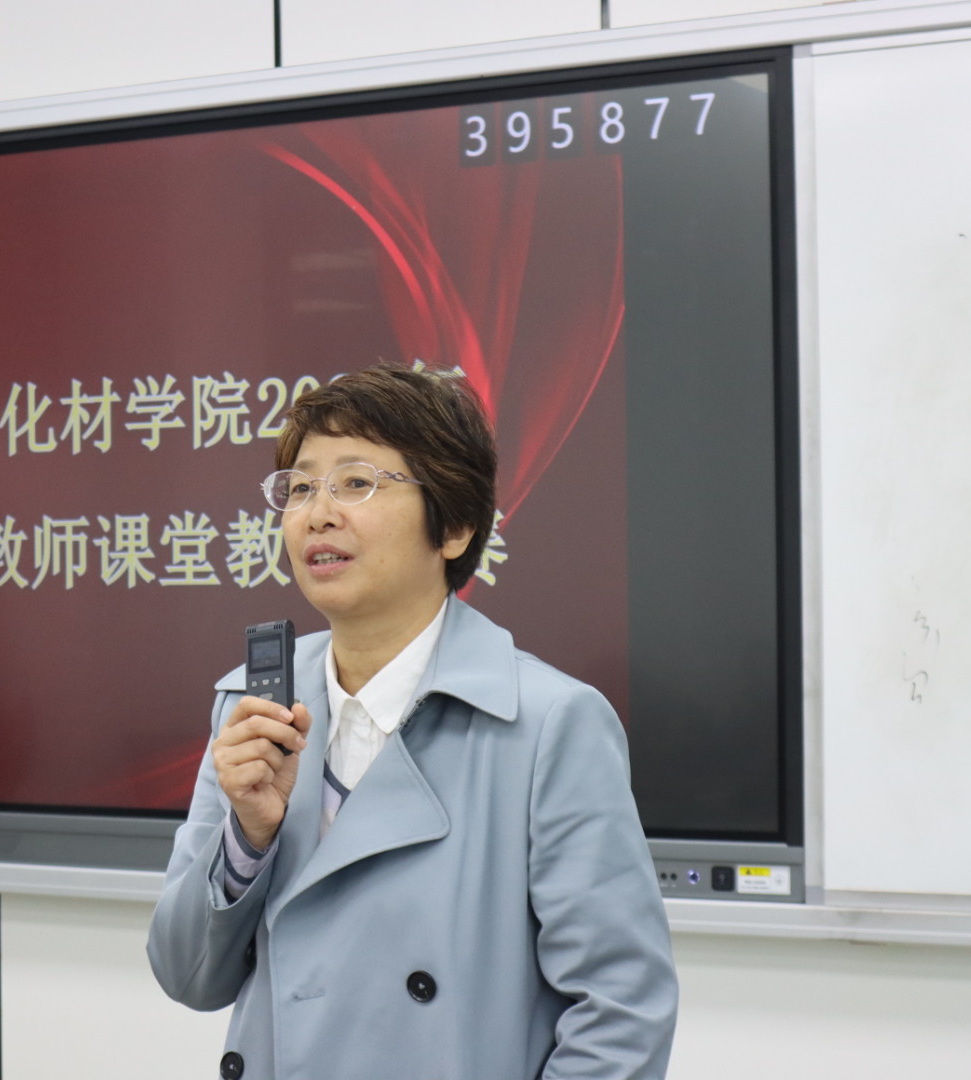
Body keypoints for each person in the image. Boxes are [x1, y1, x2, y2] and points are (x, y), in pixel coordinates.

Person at [147, 365, 678, 1079]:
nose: (317, 513)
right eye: (299, 488)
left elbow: (622, 1012)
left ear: (454, 527)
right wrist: (247, 839)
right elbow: (185, 975)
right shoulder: (253, 707)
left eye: (356, 482)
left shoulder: (550, 724)